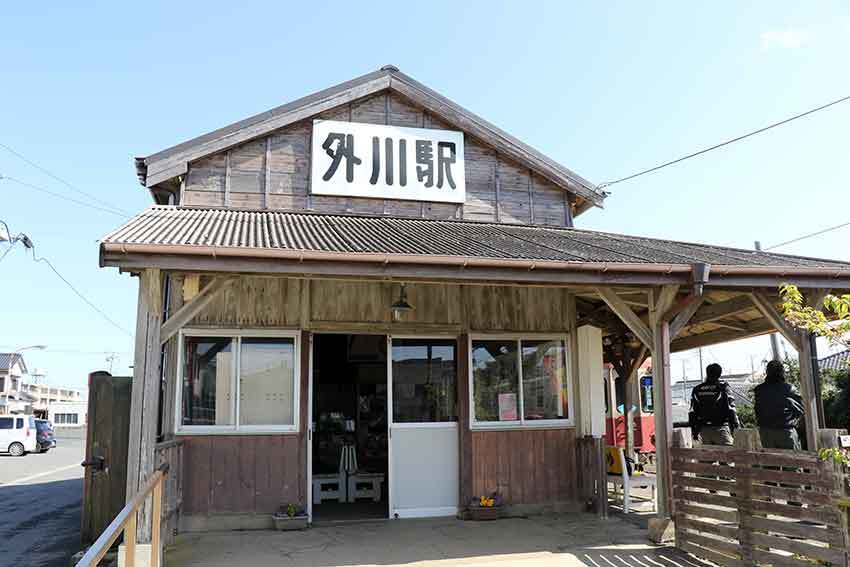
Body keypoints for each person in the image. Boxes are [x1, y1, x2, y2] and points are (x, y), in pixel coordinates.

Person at [754, 360, 804, 450]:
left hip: (766, 432)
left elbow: (757, 410)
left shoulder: (759, 390)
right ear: (782, 372)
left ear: (767, 372)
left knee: (770, 461)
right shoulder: (789, 388)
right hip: (786, 431)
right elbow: (800, 409)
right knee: (792, 462)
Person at [689, 363, 740, 445]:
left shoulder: (697, 389)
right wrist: (736, 428)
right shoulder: (723, 388)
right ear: (719, 374)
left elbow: (692, 411)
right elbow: (731, 409)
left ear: (707, 373)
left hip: (703, 431)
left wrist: (694, 432)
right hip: (721, 429)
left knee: (706, 456)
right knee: (727, 456)